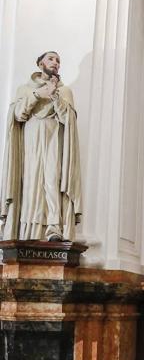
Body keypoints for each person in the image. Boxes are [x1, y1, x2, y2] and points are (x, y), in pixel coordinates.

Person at [0, 51, 82, 241]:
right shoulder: (25, 89)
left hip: (54, 139)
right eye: (51, 59)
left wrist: (55, 97)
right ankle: (26, 232)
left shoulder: (64, 91)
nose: (55, 63)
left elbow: (67, 119)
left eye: (58, 61)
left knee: (52, 180)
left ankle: (54, 229)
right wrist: (38, 95)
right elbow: (19, 114)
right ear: (40, 64)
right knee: (30, 183)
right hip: (31, 139)